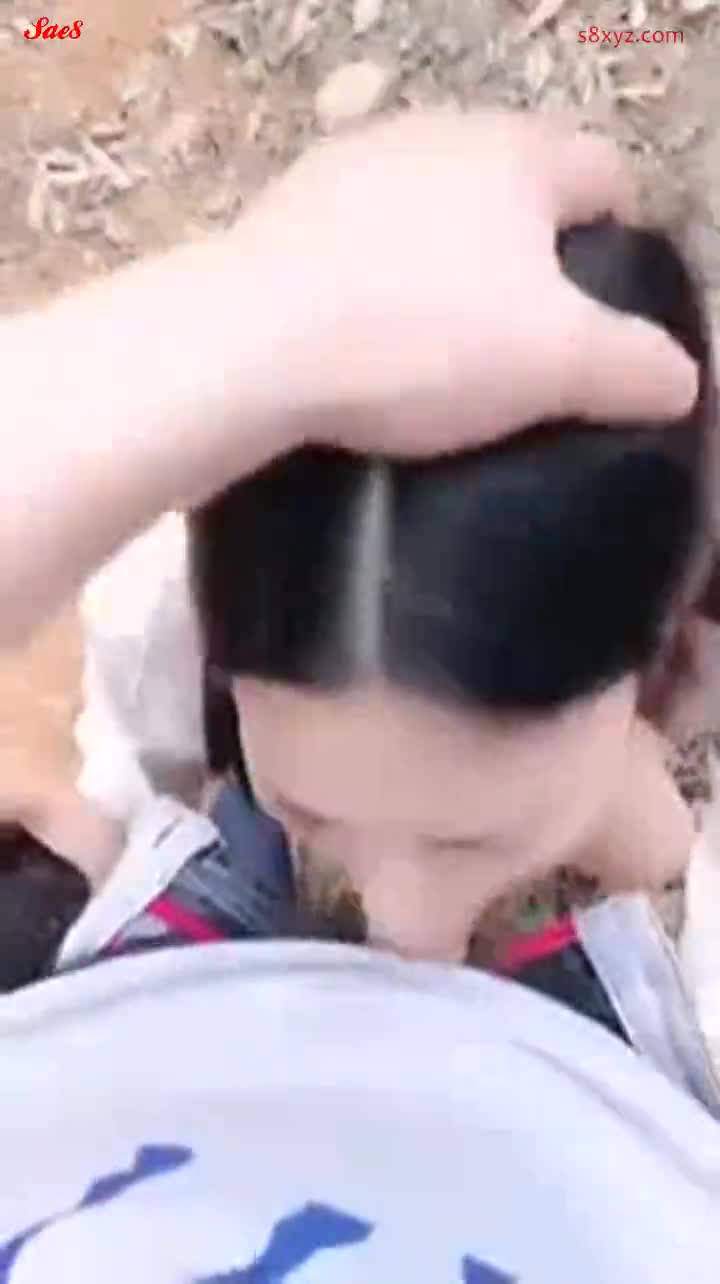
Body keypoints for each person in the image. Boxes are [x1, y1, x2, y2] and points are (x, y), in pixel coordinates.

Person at [0, 109, 718, 1283]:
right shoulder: (154, 630)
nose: (400, 935)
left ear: (665, 650)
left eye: (469, 835)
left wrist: (644, 840)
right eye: (315, 808)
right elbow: (141, 767)